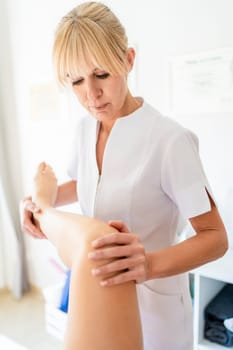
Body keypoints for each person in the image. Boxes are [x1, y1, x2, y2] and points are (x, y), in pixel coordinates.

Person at [20, 2, 228, 349]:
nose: (91, 94)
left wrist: (147, 264)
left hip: (157, 304)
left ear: (128, 60)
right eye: (76, 81)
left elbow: (215, 237)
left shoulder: (170, 140)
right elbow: (92, 184)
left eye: (101, 74)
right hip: (100, 294)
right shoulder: (84, 130)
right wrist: (40, 202)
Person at [31, 162, 143, 350]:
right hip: (108, 263)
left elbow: (211, 232)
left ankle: (42, 211)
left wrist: (151, 265)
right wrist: (30, 203)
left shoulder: (174, 141)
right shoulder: (86, 133)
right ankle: (41, 210)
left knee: (102, 247)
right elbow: (89, 181)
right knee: (102, 247)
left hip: (157, 289)